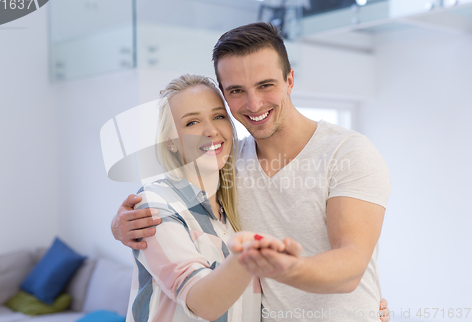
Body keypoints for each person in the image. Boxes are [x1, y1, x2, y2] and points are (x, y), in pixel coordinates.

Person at [114, 23, 391, 321]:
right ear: (224, 93)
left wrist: (279, 266)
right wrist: (120, 226)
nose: (254, 103)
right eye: (236, 90)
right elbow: (175, 202)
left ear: (290, 80)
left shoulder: (347, 153)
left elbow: (350, 267)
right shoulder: (226, 162)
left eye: (265, 85)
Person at [128, 74, 288, 322]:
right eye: (192, 123)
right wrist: (250, 256)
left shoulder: (233, 209)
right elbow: (202, 303)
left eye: (218, 116)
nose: (211, 130)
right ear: (171, 142)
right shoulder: (155, 204)